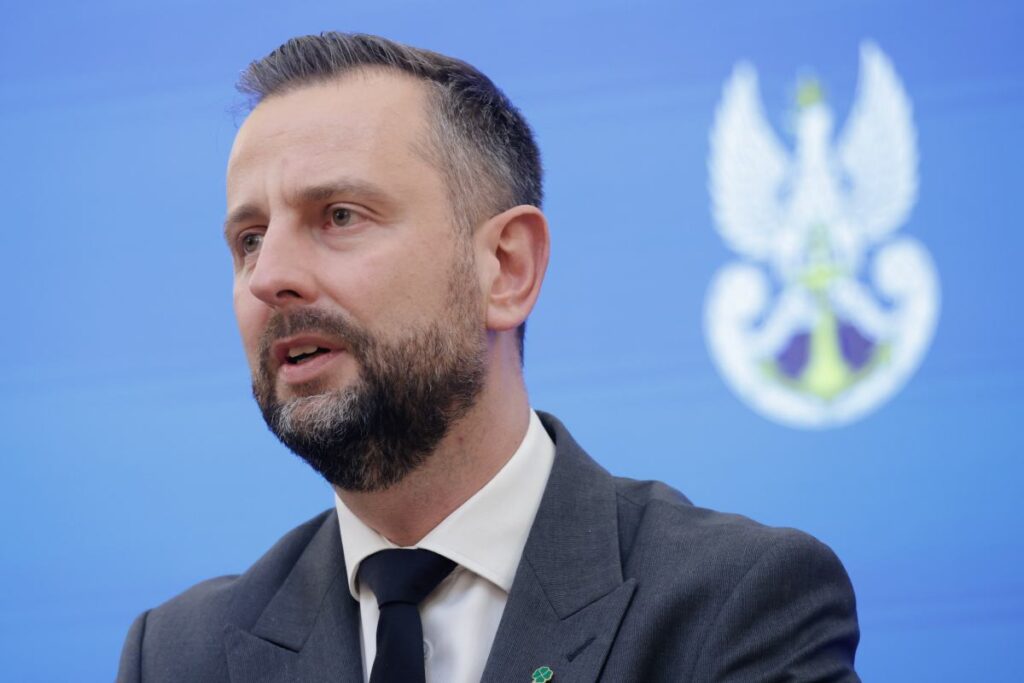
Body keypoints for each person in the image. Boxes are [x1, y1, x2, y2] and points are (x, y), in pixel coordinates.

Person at [117, 32, 860, 682]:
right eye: (249, 239)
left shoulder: (731, 604)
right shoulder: (179, 655)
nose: (269, 276)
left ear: (506, 268)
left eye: (339, 216)